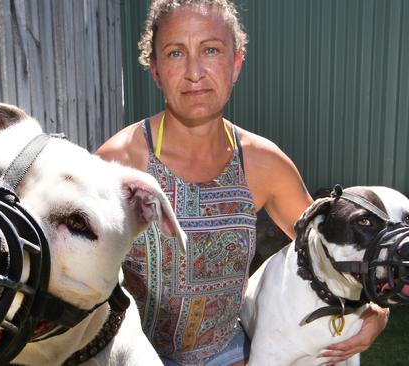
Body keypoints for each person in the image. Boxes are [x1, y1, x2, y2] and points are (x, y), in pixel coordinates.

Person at [95, 1, 389, 365]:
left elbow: (325, 248)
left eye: (211, 50)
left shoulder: (263, 163)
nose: (194, 72)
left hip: (228, 354)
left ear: (236, 63)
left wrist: (374, 308)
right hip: (134, 353)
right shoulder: (118, 161)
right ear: (155, 69)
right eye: (175, 53)